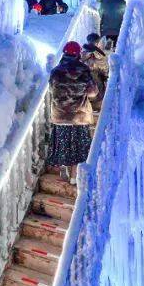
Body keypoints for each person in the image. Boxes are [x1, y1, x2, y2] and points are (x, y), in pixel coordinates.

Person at [47, 41, 99, 184]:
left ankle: (64, 167)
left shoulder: (55, 71)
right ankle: (75, 177)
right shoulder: (83, 70)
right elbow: (93, 92)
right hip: (79, 116)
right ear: (78, 54)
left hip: (60, 115)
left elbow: (52, 90)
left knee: (64, 144)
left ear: (64, 53)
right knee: (79, 148)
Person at [81, 33, 109, 109]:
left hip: (89, 96)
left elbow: (104, 69)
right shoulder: (85, 55)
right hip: (90, 96)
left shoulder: (100, 56)